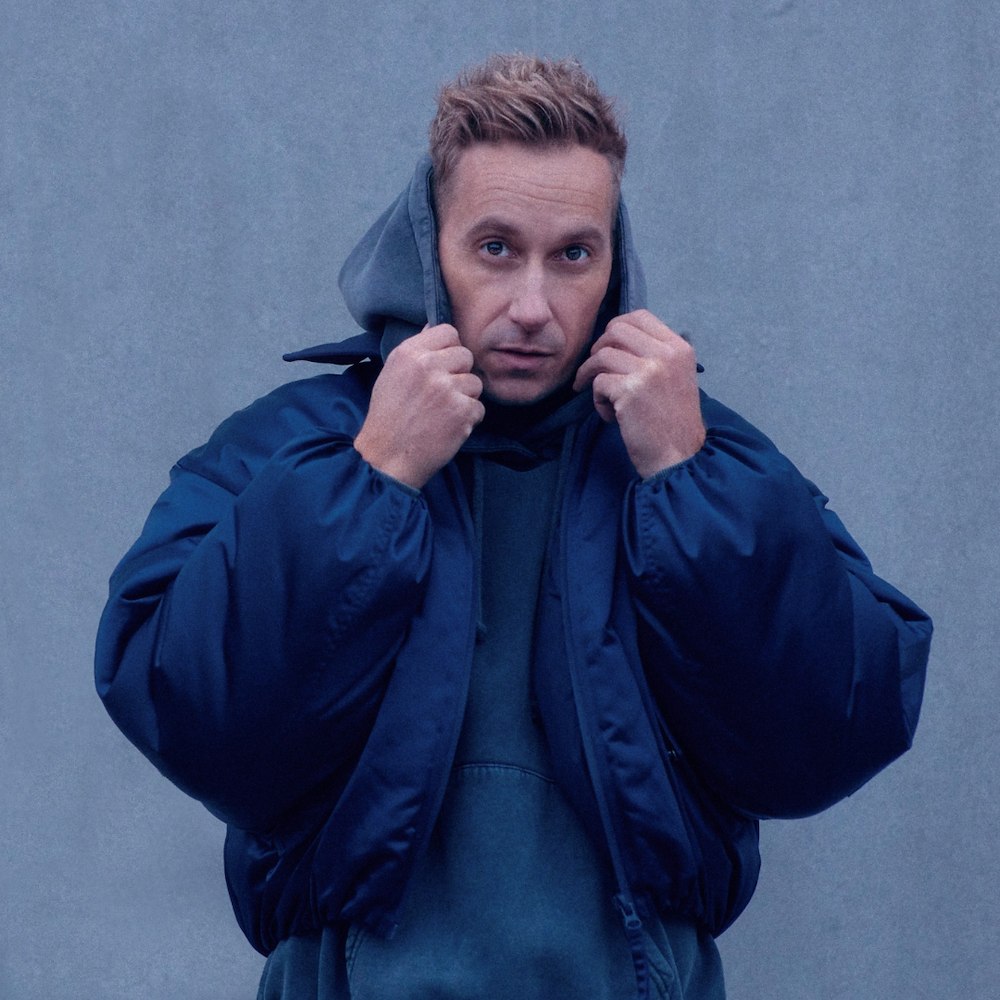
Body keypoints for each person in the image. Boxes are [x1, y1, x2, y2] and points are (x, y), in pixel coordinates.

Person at [95, 54, 932, 1000]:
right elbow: (190, 720)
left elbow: (832, 737)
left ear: (613, 266)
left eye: (573, 255)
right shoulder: (295, 442)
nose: (533, 308)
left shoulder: (695, 451)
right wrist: (374, 477)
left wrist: (688, 478)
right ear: (428, 250)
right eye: (495, 248)